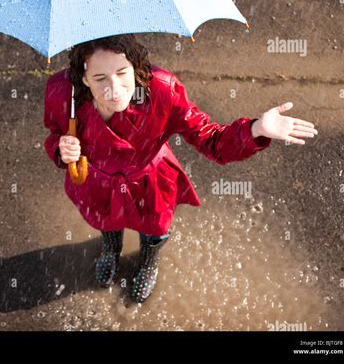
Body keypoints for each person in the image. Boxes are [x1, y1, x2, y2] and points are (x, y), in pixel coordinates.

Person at [43, 34, 318, 303]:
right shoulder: (61, 93)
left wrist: (256, 129)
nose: (114, 90)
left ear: (136, 68)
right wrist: (61, 147)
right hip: (98, 184)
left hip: (149, 182)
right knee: (106, 222)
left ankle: (148, 262)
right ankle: (110, 249)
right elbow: (54, 133)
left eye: (122, 73)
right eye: (100, 79)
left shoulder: (164, 90)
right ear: (83, 78)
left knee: (153, 230)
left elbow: (212, 141)